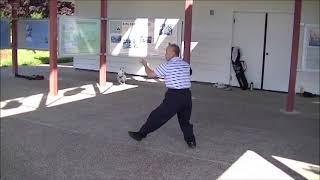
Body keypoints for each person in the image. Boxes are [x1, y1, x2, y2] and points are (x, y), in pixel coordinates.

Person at [128, 43, 196, 148]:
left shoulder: (168, 66)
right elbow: (189, 72)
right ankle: (191, 141)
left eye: (167, 52)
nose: (165, 55)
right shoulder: (186, 65)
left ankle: (141, 134)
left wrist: (145, 65)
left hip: (174, 96)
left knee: (157, 116)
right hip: (187, 96)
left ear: (173, 53)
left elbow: (150, 75)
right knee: (185, 121)